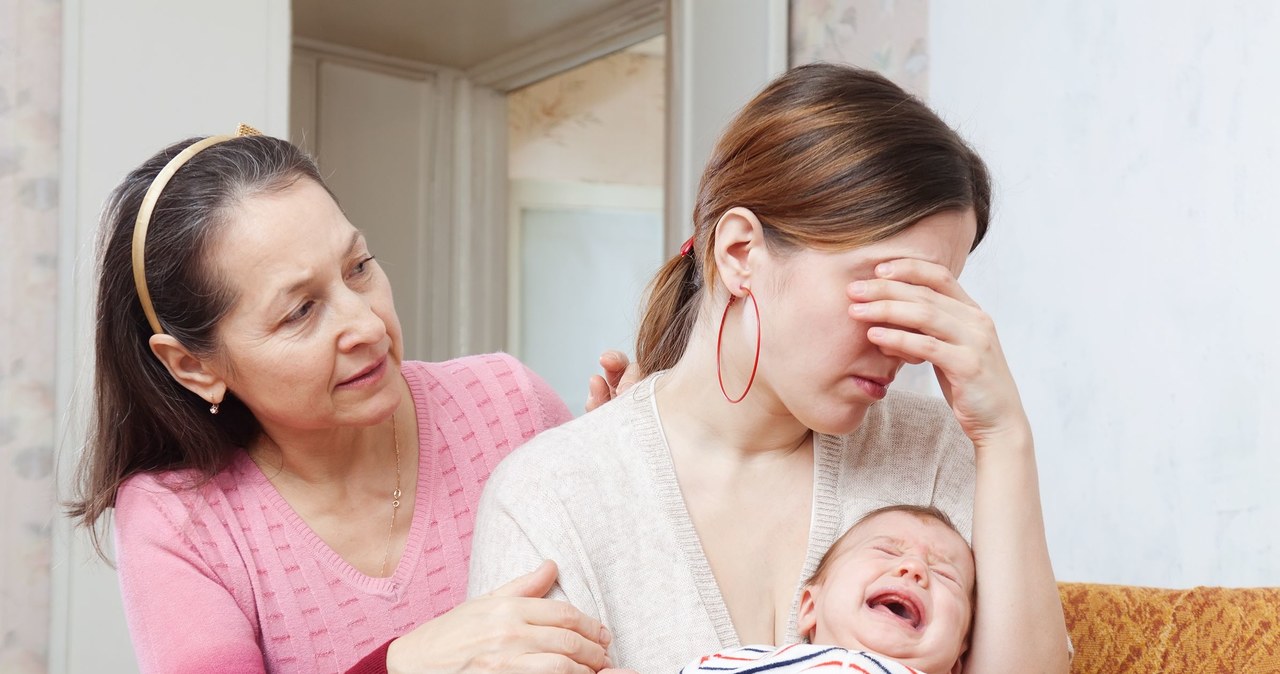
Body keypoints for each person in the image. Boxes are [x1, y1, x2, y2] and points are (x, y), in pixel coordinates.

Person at [468, 62, 1070, 673]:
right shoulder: (552, 495)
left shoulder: (936, 453)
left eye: (930, 302)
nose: (910, 344)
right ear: (740, 253)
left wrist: (1005, 437)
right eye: (888, 290)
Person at [67, 126, 630, 674]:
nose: (366, 324)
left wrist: (629, 484)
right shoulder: (181, 517)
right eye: (300, 311)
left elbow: (627, 623)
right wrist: (407, 664)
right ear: (194, 366)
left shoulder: (509, 403)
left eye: (359, 267)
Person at [681, 505, 975, 674]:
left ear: (957, 663)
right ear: (810, 607)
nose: (913, 568)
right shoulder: (741, 661)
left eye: (944, 574)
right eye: (887, 550)